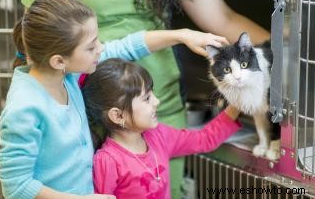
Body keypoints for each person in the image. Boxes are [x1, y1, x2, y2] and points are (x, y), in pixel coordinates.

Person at [21, 0, 269, 197]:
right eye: (91, 45)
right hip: (92, 101)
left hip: (158, 99)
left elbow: (223, 19)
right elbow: (40, 37)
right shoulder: (104, 158)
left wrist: (281, 56)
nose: (97, 48)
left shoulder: (160, 135)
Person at [0, 0, 229, 199]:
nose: (100, 48)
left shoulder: (65, 74)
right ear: (59, 60)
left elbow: (126, 47)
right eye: (91, 47)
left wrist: (183, 35)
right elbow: (16, 187)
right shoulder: (25, 108)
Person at [80, 58, 241, 199]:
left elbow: (203, 139)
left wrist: (237, 104)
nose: (157, 101)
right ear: (118, 116)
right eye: (147, 98)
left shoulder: (159, 136)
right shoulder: (108, 160)